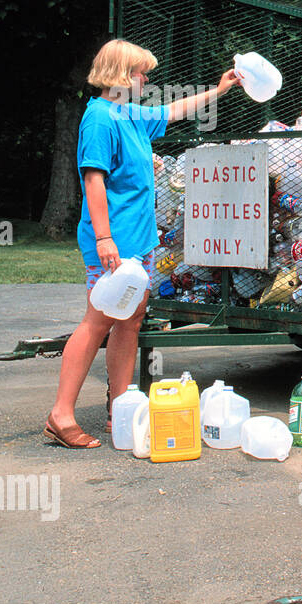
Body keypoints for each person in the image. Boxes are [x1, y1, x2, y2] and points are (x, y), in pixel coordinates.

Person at [44, 39, 239, 449]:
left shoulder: (129, 113)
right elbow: (93, 180)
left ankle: (122, 406)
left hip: (140, 242)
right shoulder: (99, 118)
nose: (146, 79)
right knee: (97, 323)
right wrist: (103, 238)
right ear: (119, 73)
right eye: (140, 72)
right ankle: (60, 416)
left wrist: (220, 90)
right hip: (113, 243)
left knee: (129, 321)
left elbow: (173, 110)